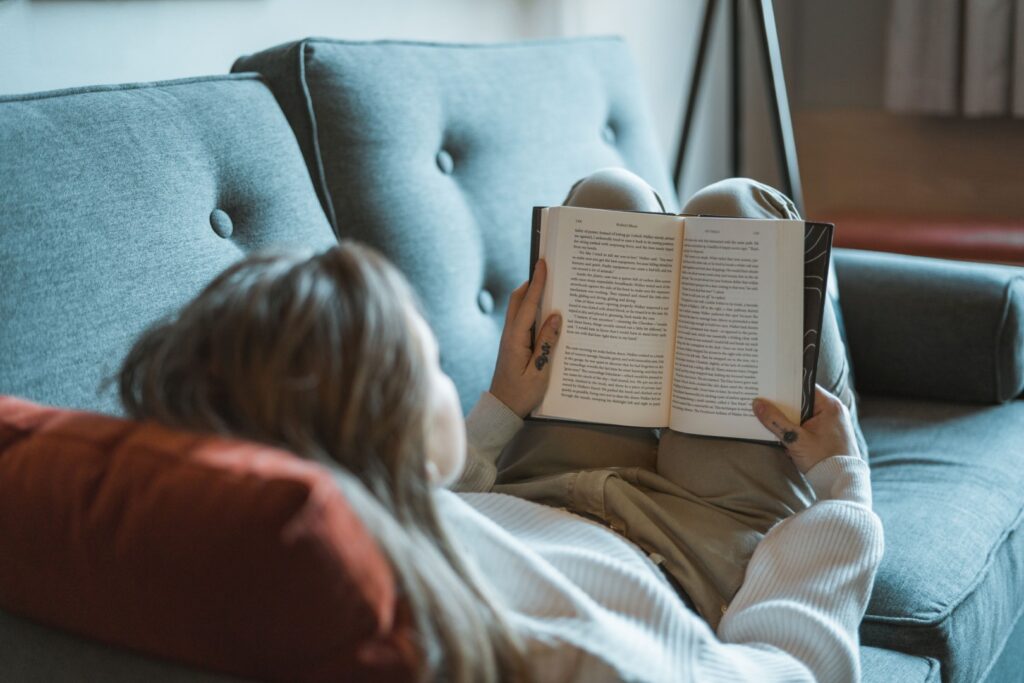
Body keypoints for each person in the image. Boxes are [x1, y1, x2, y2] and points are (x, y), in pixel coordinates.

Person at [117, 175, 882, 683]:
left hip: (539, 487)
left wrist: (505, 405)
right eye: (432, 368)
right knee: (738, 213)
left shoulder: (361, 513)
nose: (451, 378)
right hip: (693, 549)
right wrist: (846, 496)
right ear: (398, 432)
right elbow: (783, 671)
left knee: (607, 198)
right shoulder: (559, 650)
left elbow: (428, 489)